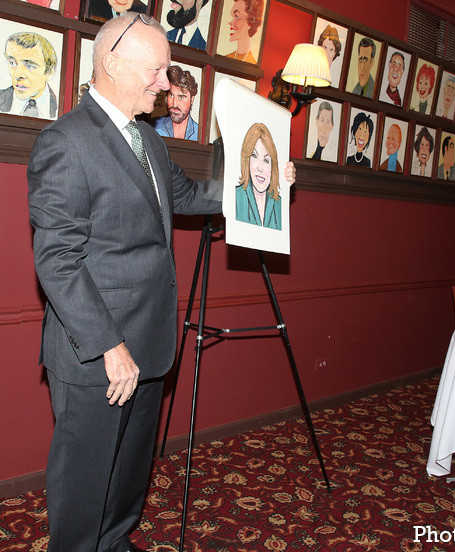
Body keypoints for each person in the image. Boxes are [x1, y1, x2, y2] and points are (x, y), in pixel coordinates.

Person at [26, 15, 295, 552]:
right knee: (83, 484)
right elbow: (57, 260)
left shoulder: (149, 140)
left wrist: (260, 189)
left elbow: (189, 198)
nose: (166, 85)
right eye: (156, 71)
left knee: (128, 475)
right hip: (98, 356)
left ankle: (115, 542)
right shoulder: (65, 142)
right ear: (112, 64)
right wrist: (110, 346)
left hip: (149, 344)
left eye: (167, 72)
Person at [236, 123, 283, 230]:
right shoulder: (237, 197)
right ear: (246, 159)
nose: (260, 167)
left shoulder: (279, 203)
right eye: (254, 156)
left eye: (266, 160)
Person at [1, 31, 58, 119]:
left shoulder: (62, 107)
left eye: (29, 66)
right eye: (12, 63)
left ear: (50, 72)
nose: (18, 74)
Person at [153, 65, 199, 140]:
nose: (174, 104)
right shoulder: (154, 127)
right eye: (171, 95)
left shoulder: (199, 133)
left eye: (181, 97)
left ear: (192, 99)